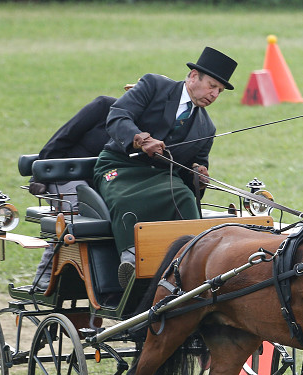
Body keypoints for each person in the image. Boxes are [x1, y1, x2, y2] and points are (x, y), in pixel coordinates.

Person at [93, 46, 238, 288]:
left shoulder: (206, 128)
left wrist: (199, 176)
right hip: (119, 166)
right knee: (124, 197)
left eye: (220, 91)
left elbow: (191, 169)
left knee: (182, 195)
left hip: (160, 177)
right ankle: (130, 259)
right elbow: (117, 115)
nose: (214, 94)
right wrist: (140, 139)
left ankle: (192, 261)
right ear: (193, 76)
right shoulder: (153, 86)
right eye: (212, 85)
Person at [30, 94, 120, 290]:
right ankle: (45, 275)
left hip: (103, 185)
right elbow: (62, 137)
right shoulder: (104, 106)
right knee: (78, 215)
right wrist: (42, 174)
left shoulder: (145, 126)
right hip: (64, 176)